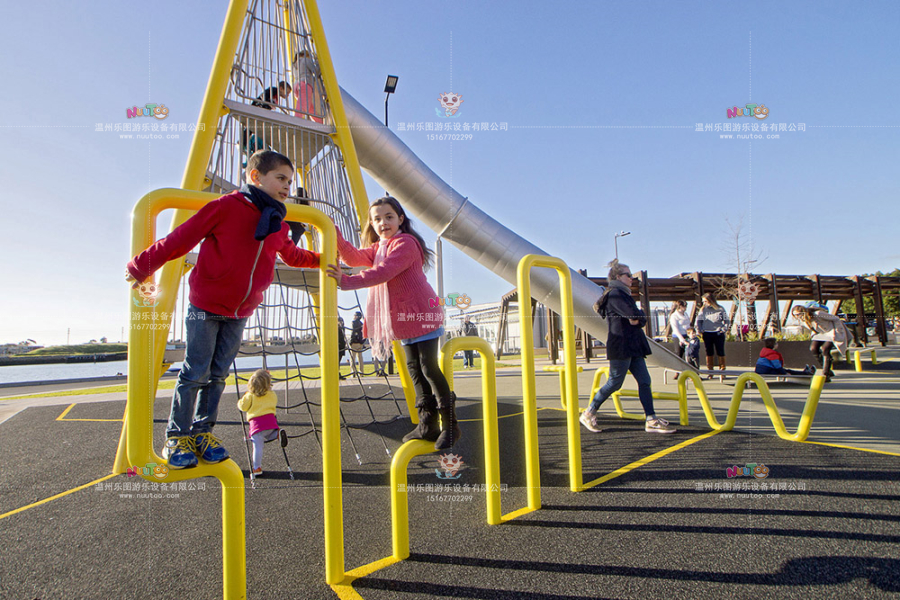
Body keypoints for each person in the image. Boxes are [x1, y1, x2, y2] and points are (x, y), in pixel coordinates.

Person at [126, 150, 325, 469]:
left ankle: (203, 433)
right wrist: (142, 265)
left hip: (240, 311)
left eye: (290, 180)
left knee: (218, 375)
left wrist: (323, 259)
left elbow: (292, 256)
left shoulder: (277, 223)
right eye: (281, 178)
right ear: (255, 177)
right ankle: (178, 436)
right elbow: (181, 238)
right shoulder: (226, 206)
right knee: (195, 371)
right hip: (205, 305)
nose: (287, 186)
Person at [327, 196, 461, 450]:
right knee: (414, 368)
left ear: (400, 219)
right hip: (404, 318)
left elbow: (383, 272)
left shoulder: (406, 244)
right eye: (377, 219)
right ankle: (427, 424)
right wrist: (332, 230)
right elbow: (354, 257)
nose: (383, 223)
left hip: (422, 314)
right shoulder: (380, 247)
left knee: (428, 367)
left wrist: (346, 282)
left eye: (388, 217)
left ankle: (451, 424)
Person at [579, 260, 676, 435]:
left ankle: (651, 419)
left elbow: (639, 318)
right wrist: (637, 317)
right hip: (621, 345)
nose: (632, 278)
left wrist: (638, 318)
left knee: (645, 381)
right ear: (618, 277)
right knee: (615, 382)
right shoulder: (615, 294)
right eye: (629, 275)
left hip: (634, 345)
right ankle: (588, 412)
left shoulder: (624, 295)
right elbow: (633, 315)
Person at [237, 369, 280, 478]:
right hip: (271, 422)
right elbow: (274, 403)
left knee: (257, 446)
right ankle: (277, 434)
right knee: (270, 435)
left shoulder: (250, 395)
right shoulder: (271, 394)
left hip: (257, 425)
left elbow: (242, 407)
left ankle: (257, 468)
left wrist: (243, 398)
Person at [792, 304, 849, 382]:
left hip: (831, 332)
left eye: (798, 314)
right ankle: (827, 368)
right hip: (820, 334)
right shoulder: (803, 320)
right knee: (813, 349)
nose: (797, 316)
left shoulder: (818, 314)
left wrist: (837, 331)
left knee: (825, 349)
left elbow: (836, 318)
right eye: (795, 315)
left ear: (804, 312)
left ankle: (826, 374)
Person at [696, 293, 729, 373]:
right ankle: (710, 370)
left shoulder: (720, 309)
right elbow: (698, 321)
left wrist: (724, 329)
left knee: (720, 351)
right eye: (703, 301)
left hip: (718, 333)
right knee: (709, 352)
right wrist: (700, 330)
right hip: (707, 333)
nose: (704, 303)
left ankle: (722, 370)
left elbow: (727, 321)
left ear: (711, 300)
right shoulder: (703, 309)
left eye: (706, 301)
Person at [348, 311, 365, 375]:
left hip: (354, 342)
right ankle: (361, 372)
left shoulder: (353, 322)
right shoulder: (361, 324)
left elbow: (353, 332)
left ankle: (353, 371)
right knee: (360, 358)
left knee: (353, 358)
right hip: (360, 343)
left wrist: (351, 341)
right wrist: (362, 341)